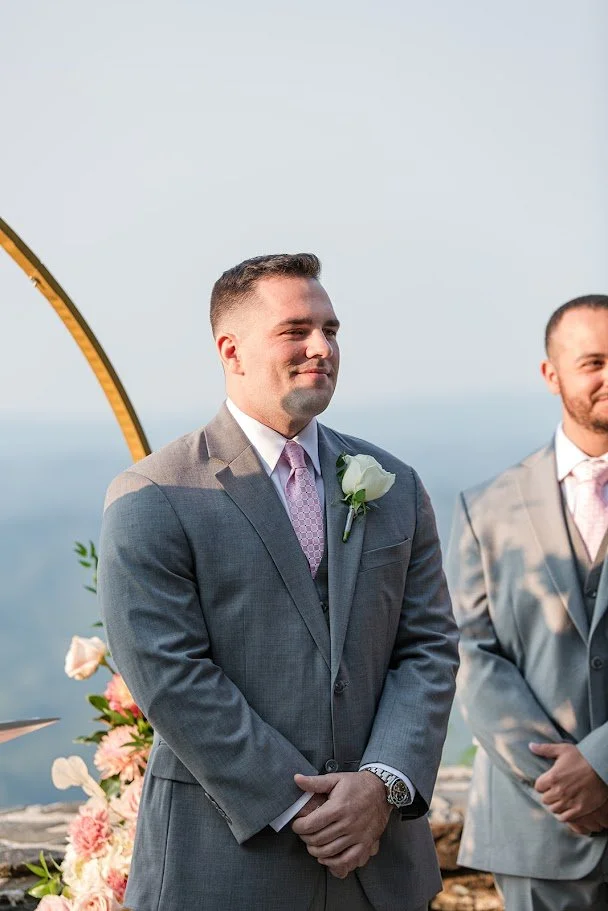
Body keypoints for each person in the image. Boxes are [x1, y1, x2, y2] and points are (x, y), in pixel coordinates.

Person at [98, 253, 458, 911]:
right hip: (225, 866)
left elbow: (427, 648)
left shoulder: (396, 484)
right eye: (296, 329)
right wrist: (299, 801)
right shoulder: (155, 493)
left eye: (331, 328)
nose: (322, 347)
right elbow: (171, 675)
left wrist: (378, 786)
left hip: (379, 871)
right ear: (231, 350)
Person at [447, 294, 608, 910]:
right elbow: (470, 653)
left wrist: (601, 763)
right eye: (592, 362)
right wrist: (560, 781)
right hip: (535, 824)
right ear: (552, 374)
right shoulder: (485, 509)